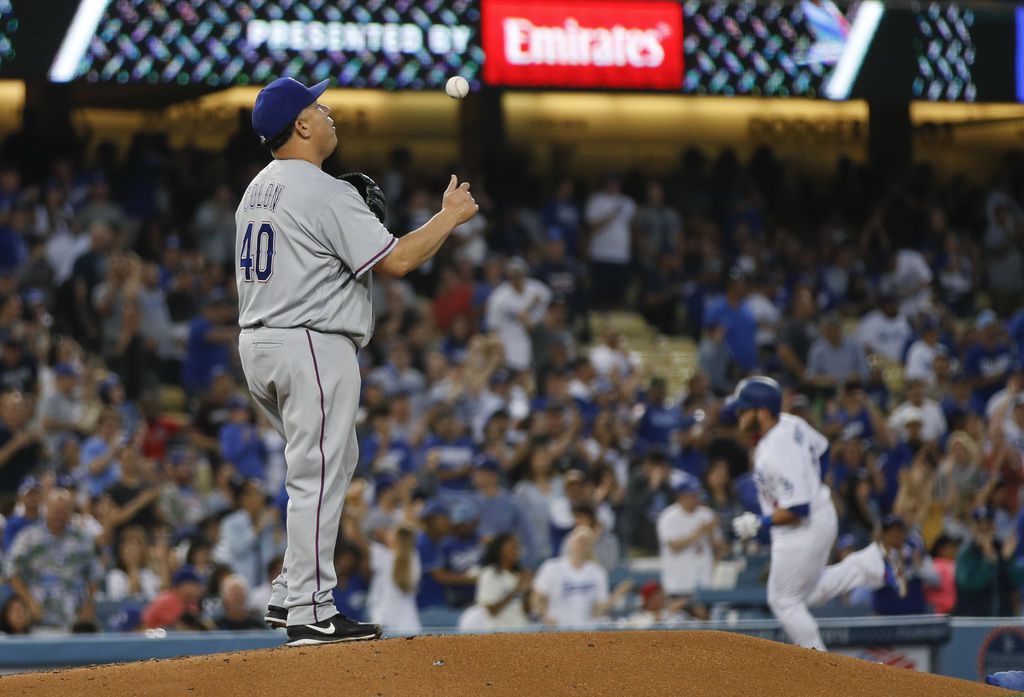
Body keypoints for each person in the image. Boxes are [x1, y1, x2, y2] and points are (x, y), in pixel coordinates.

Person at [236, 77, 477, 645]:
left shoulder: (256, 190)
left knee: (331, 462)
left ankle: (290, 589)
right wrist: (448, 217)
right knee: (319, 471)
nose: (328, 113)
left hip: (261, 344)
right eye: (318, 107)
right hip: (310, 343)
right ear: (300, 125)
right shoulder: (322, 191)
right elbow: (396, 262)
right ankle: (311, 610)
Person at [730, 377, 892, 650]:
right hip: (820, 515)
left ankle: (818, 663)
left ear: (762, 412)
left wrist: (760, 523)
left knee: (783, 600)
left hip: (801, 529)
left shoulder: (773, 451)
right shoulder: (791, 422)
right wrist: (813, 485)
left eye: (744, 411)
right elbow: (824, 449)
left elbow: (797, 510)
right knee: (805, 592)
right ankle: (867, 565)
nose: (739, 416)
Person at [6, 489, 102, 632]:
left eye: (64, 511)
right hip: (36, 621)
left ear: (70, 512)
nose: (59, 515)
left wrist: (88, 607)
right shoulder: (29, 537)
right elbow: (11, 571)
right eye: (55, 510)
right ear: (46, 509)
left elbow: (95, 576)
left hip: (73, 621)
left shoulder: (82, 540)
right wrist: (28, 601)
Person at [531, 526, 632, 627]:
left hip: (586, 632)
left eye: (586, 541)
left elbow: (598, 611)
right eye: (579, 540)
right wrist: (545, 615)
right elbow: (536, 597)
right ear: (570, 541)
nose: (582, 544)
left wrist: (616, 595)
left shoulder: (597, 572)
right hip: (558, 631)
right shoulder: (551, 568)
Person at [657, 478, 718, 600]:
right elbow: (674, 546)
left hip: (704, 579)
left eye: (696, 495)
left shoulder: (707, 514)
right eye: (691, 495)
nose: (695, 498)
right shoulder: (668, 517)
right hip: (678, 582)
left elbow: (718, 546)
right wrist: (700, 532)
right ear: (681, 496)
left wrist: (711, 532)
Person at [368, 523, 421, 633]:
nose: (387, 534)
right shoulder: (413, 558)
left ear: (396, 539)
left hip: (384, 620)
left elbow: (358, 541)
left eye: (391, 533)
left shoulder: (382, 555)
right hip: (409, 624)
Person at [472, 533, 531, 630]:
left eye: (517, 548)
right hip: (497, 631)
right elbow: (492, 610)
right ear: (500, 550)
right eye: (513, 547)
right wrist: (515, 590)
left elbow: (527, 611)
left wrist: (527, 592)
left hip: (521, 629)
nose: (516, 551)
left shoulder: (519, 575)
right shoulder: (489, 574)